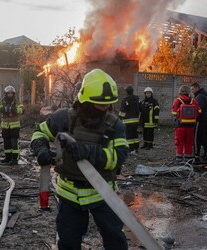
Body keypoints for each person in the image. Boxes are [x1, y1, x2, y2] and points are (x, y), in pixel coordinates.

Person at [30, 68, 129, 249]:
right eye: (99, 105)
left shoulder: (115, 126)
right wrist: (41, 150)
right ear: (85, 100)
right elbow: (39, 134)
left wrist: (87, 151)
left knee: (115, 240)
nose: (105, 109)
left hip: (103, 193)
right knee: (68, 242)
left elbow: (116, 159)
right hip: (70, 195)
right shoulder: (64, 118)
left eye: (108, 105)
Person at [0, 85, 25, 165]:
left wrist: (14, 110)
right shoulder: (2, 101)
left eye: (11, 93)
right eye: (8, 93)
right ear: (5, 94)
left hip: (15, 126)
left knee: (14, 143)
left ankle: (15, 159)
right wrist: (1, 109)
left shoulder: (16, 102)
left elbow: (22, 110)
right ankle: (8, 158)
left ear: (14, 94)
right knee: (6, 142)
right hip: (5, 126)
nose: (10, 95)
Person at [171, 85, 201, 163]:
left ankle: (179, 159)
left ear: (180, 92)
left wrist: (179, 112)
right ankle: (188, 159)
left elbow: (174, 113)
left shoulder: (177, 100)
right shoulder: (193, 101)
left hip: (180, 126)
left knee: (179, 142)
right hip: (191, 126)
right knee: (189, 142)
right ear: (189, 92)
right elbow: (199, 111)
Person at [191, 83, 207, 164]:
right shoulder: (206, 95)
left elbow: (198, 109)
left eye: (193, 89)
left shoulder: (200, 96)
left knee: (197, 137)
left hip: (200, 120)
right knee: (205, 137)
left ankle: (196, 156)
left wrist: (193, 117)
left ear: (197, 88)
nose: (192, 91)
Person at [118, 85, 140, 153]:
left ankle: (131, 149)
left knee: (129, 136)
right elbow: (140, 108)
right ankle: (136, 148)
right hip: (136, 120)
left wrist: (120, 117)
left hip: (128, 121)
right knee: (135, 135)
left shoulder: (125, 100)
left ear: (127, 92)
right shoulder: (137, 99)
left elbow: (122, 110)